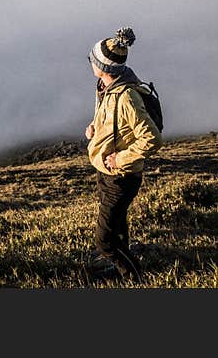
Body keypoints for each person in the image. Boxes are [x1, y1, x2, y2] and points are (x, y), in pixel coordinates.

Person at [85, 26, 162, 282]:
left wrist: (121, 159)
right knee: (117, 227)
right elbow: (113, 123)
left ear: (104, 67)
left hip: (122, 176)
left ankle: (136, 278)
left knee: (105, 241)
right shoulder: (107, 86)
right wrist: (95, 129)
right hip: (106, 173)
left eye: (92, 59)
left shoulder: (127, 96)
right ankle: (123, 271)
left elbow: (151, 138)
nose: (89, 62)